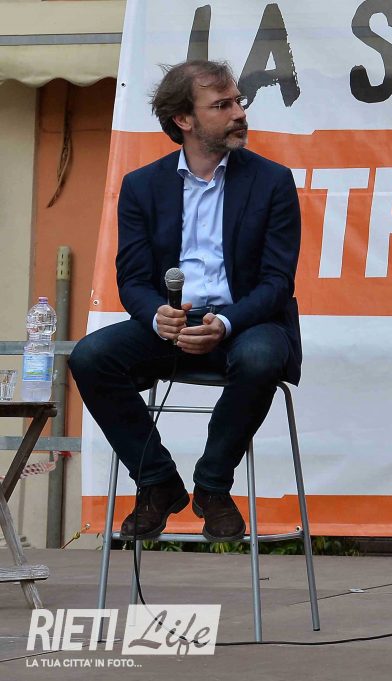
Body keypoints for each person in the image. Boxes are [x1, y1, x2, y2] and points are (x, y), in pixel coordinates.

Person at [70, 60, 301, 543]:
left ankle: (213, 486)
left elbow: (277, 283)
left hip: (246, 322)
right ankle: (157, 481)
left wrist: (226, 323)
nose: (239, 113)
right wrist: (156, 316)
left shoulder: (272, 181)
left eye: (238, 102)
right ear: (184, 119)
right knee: (90, 357)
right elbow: (133, 279)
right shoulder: (142, 186)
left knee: (261, 357)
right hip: (171, 326)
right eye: (222, 105)